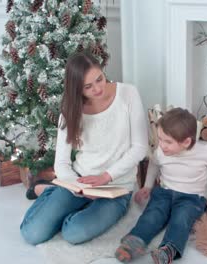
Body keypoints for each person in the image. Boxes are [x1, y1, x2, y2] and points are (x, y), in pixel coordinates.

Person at [20, 52, 148, 245]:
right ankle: (50, 191)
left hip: (116, 187)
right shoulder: (71, 109)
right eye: (88, 86)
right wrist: (80, 187)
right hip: (80, 184)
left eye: (100, 79)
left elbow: (139, 148)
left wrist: (105, 177)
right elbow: (62, 163)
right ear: (77, 89)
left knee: (73, 233)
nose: (98, 89)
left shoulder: (128, 94)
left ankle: (49, 191)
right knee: (33, 234)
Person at [114, 107, 207, 264]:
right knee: (152, 214)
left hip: (191, 198)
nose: (162, 145)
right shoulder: (161, 152)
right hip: (165, 193)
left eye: (168, 142)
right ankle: (135, 241)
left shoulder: (205, 154)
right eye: (160, 139)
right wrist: (147, 186)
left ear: (186, 142)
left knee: (181, 220)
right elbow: (154, 164)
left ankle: (169, 249)